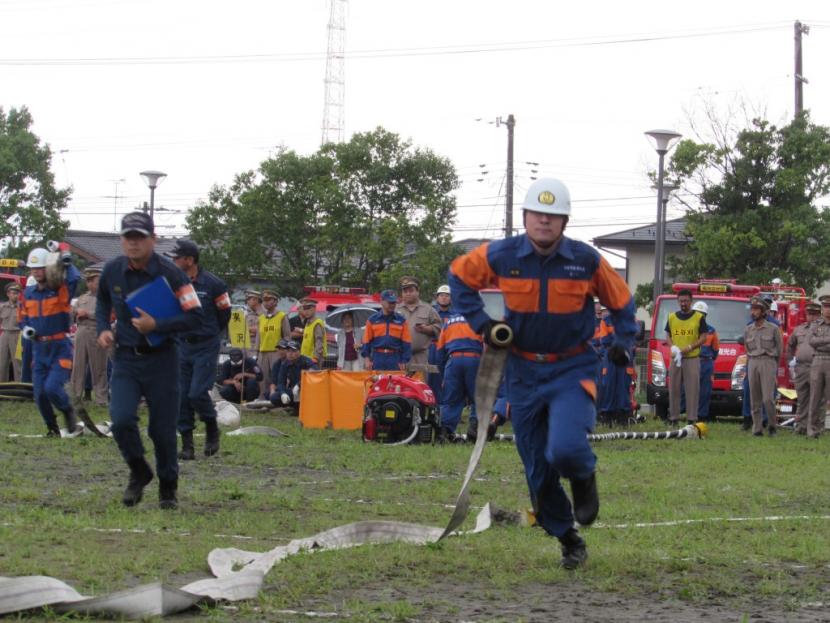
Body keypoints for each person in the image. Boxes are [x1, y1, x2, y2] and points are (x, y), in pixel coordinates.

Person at [449, 177, 637, 570]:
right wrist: (483, 323)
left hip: (572, 367)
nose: (544, 222)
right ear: (525, 217)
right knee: (537, 471)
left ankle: (584, 475)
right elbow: (459, 276)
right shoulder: (502, 255)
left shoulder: (585, 259)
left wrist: (623, 339)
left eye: (553, 216)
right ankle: (568, 537)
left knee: (565, 448)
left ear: (564, 221)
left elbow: (620, 300)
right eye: (537, 214)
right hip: (521, 372)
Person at [96, 212, 204, 510]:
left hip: (163, 361)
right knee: (120, 420)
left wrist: (157, 325)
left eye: (140, 238)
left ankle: (168, 487)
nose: (133, 244)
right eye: (128, 238)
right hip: (127, 360)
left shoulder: (172, 274)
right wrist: (103, 328)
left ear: (152, 240)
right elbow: (103, 299)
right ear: (121, 240)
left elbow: (195, 317)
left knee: (162, 430)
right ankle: (139, 470)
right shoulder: (112, 270)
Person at [167, 240, 232, 461]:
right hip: (182, 345)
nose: (173, 262)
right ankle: (187, 446)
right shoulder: (173, 283)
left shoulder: (214, 284)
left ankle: (212, 427)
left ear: (189, 260)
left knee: (197, 392)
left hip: (206, 344)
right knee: (182, 396)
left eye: (177, 257)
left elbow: (225, 313)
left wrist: (209, 331)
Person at [20, 244, 82, 436]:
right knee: (39, 394)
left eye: (40, 268)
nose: (36, 272)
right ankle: (52, 428)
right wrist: (26, 329)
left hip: (59, 347)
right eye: (33, 268)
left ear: (48, 268)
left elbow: (75, 277)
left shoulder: (61, 290)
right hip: (39, 348)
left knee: (52, 388)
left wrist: (65, 256)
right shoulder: (28, 293)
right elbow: (22, 319)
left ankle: (67, 410)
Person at [435, 308, 483, 441]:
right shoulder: (481, 319)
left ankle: (445, 431)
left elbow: (440, 350)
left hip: (453, 360)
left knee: (451, 400)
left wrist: (444, 371)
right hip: (474, 359)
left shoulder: (449, 321)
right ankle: (474, 430)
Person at [665, 289, 708, 424]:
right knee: (673, 388)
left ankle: (691, 419)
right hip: (676, 358)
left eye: (686, 301)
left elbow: (703, 337)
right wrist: (672, 346)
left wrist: (689, 347)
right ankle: (674, 418)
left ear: (691, 301)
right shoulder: (672, 317)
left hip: (692, 358)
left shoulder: (699, 317)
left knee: (692, 389)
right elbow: (668, 334)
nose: (683, 303)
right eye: (681, 301)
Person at [70, 264, 109, 406]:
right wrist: (74, 312)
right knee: (78, 366)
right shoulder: (81, 298)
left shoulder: (106, 297)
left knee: (99, 366)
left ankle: (101, 399)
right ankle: (75, 397)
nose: (94, 283)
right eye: (91, 280)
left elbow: (108, 315)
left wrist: (89, 314)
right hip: (81, 331)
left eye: (97, 280)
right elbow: (73, 312)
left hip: (96, 331)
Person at [744, 296, 782, 436]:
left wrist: (774, 367)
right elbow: (747, 348)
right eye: (752, 309)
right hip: (753, 361)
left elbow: (779, 349)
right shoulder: (748, 329)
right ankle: (757, 428)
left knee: (768, 398)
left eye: (756, 310)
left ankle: (772, 426)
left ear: (763, 312)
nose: (753, 312)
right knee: (754, 398)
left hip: (768, 361)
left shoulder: (773, 328)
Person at [787, 301, 820, 435]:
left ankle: (813, 428)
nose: (811, 317)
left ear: (819, 315)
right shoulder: (799, 329)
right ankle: (800, 426)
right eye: (809, 314)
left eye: (814, 315)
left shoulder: (824, 329)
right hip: (801, 368)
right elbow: (790, 345)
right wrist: (790, 362)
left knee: (816, 399)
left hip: (816, 366)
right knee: (802, 398)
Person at [361, 290, 412, 371]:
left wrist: (404, 360)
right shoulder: (372, 320)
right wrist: (367, 359)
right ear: (381, 301)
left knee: (395, 383)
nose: (392, 305)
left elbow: (407, 343)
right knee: (377, 383)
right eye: (390, 302)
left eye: (394, 302)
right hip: (377, 358)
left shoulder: (402, 321)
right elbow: (366, 341)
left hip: (395, 359)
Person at [397, 276, 442, 367]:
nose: (408, 294)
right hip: (399, 357)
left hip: (420, 356)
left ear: (418, 292)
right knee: (398, 381)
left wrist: (427, 329)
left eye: (411, 291)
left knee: (419, 381)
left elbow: (440, 328)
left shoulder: (428, 309)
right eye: (405, 291)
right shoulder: (395, 310)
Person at [257, 289, 291, 398]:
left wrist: (284, 352)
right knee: (262, 378)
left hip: (276, 352)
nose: (266, 302)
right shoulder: (261, 318)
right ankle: (262, 399)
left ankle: (277, 399)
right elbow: (259, 336)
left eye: (268, 299)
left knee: (277, 377)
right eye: (264, 300)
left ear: (275, 301)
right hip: (263, 352)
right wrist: (256, 352)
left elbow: (287, 336)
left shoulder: (282, 316)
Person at [807, 295, 830, 439]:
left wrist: (820, 342)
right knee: (815, 396)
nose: (828, 310)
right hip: (818, 360)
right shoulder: (816, 324)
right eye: (826, 307)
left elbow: (816, 341)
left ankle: (823, 426)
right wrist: (827, 340)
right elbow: (811, 341)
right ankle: (812, 429)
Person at [275, 340, 318, 412]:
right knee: (274, 397)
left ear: (299, 352)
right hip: (293, 390)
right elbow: (280, 382)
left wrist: (299, 384)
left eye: (293, 351)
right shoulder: (285, 364)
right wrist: (283, 393)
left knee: (299, 393)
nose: (290, 354)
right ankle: (294, 407)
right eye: (288, 351)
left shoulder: (306, 361)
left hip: (307, 390)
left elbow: (314, 372)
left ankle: (301, 409)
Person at [693, 301, 719, 422]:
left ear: (705, 316)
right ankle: (685, 413)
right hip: (691, 361)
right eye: (697, 313)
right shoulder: (688, 329)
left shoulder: (711, 331)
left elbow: (715, 350)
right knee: (686, 389)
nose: (699, 316)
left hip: (706, 363)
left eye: (701, 314)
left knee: (705, 391)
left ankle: (702, 416)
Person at [428, 284, 454, 402]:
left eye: (447, 295)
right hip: (433, 347)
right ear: (437, 298)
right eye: (441, 295)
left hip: (449, 348)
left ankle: (445, 404)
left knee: (448, 376)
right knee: (432, 376)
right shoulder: (430, 313)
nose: (444, 298)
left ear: (451, 298)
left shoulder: (455, 315)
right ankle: (432, 403)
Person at [0, 282, 22, 382]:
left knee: (17, 363)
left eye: (17, 293)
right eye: (13, 293)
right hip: (4, 334)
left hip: (17, 335)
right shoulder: (2, 307)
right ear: (8, 294)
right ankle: (2, 387)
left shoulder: (22, 307)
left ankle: (19, 388)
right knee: (2, 362)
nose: (15, 295)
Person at [297, 297, 326, 365]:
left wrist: (315, 358)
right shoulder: (308, 323)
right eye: (304, 308)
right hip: (305, 358)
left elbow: (319, 342)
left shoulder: (317, 323)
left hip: (313, 360)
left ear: (314, 308)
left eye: (308, 308)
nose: (306, 311)